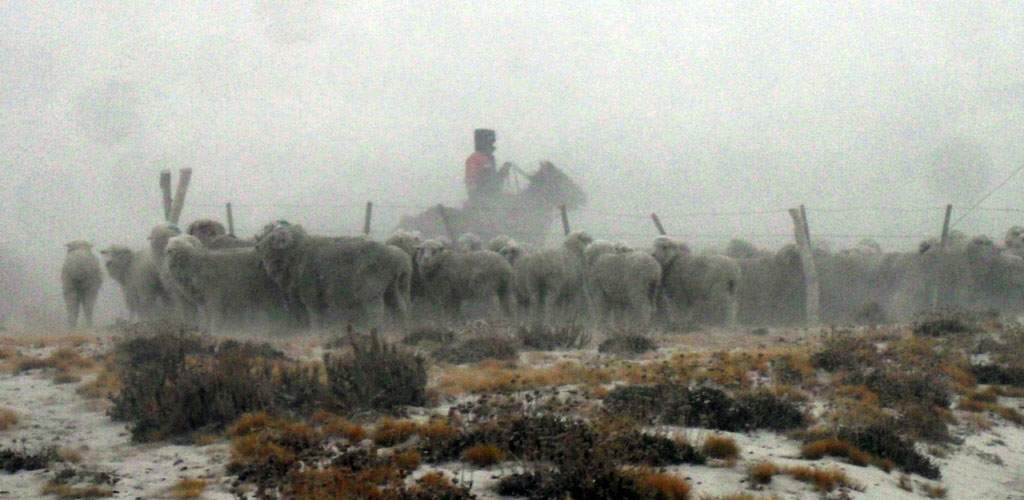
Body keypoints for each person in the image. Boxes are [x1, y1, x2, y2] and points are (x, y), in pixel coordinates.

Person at [464, 129, 509, 207]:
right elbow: (472, 180)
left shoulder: (489, 158)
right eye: (490, 143)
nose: (493, 146)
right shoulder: (475, 158)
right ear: (484, 143)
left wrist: (503, 172)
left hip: (493, 197)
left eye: (492, 143)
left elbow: (495, 180)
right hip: (482, 200)